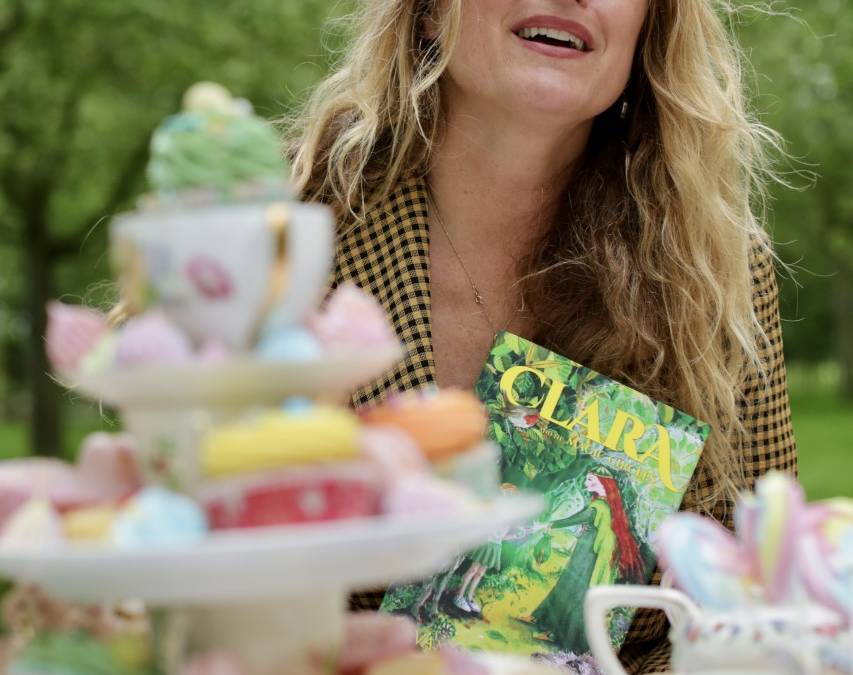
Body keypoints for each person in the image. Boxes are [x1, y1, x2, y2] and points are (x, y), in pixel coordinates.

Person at [287, 0, 798, 671]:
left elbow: (761, 597)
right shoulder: (283, 235)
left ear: (649, 28)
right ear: (431, 12)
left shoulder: (712, 268)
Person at [522, 471, 645, 652]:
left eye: (591, 479)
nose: (586, 482)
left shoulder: (600, 506)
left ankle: (563, 637)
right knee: (567, 585)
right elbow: (590, 522)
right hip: (588, 550)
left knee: (576, 591)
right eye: (587, 478)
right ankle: (546, 623)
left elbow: (578, 518)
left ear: (604, 483)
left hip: (591, 555)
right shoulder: (603, 504)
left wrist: (548, 525)